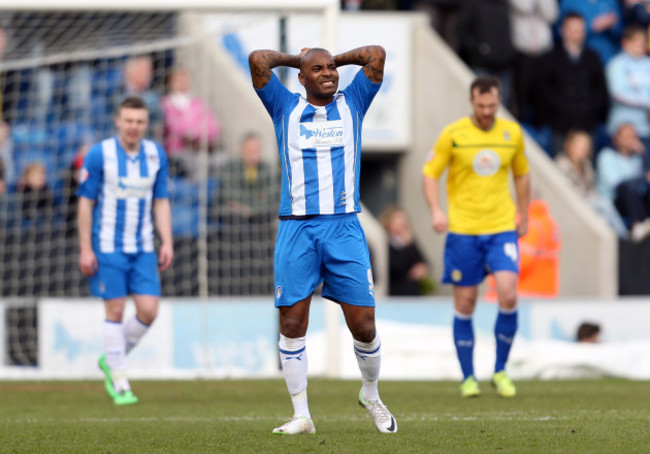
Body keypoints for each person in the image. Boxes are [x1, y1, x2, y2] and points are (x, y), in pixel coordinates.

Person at [249, 44, 397, 434]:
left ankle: (371, 394)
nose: (328, 73)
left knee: (363, 324)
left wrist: (336, 61)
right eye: (317, 69)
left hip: (344, 226)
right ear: (301, 77)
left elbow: (377, 55)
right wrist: (298, 59)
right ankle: (302, 415)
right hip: (296, 227)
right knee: (293, 321)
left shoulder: (355, 102)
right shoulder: (285, 106)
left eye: (331, 67)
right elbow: (258, 61)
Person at [422, 76, 531, 398]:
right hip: (464, 230)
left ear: (499, 103)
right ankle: (469, 376)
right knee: (466, 302)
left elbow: (522, 174)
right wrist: (435, 210)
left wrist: (522, 212)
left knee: (508, 294)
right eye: (481, 106)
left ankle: (500, 370)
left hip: (500, 228)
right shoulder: (453, 134)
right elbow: (430, 173)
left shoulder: (512, 134)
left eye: (492, 106)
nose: (486, 112)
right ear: (472, 102)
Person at [77, 96, 173, 406]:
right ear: (118, 121)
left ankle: (111, 359)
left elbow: (160, 200)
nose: (133, 126)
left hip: (143, 247)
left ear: (146, 124)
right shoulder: (99, 154)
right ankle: (120, 382)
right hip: (107, 247)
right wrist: (85, 248)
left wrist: (167, 240)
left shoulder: (156, 154)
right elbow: (85, 202)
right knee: (115, 311)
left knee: (148, 311)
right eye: (128, 120)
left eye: (140, 121)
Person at [534, 12, 610, 156]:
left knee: (585, 171)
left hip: (587, 126)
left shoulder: (593, 57)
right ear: (563, 31)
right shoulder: (549, 58)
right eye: (573, 29)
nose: (577, 34)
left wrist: (590, 111)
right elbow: (542, 92)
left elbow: (601, 91)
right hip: (559, 127)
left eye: (580, 30)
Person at [215, 132, 278, 295]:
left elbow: (270, 198)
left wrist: (248, 208)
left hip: (260, 222)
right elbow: (228, 195)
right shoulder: (231, 167)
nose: (254, 154)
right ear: (242, 150)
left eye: (257, 150)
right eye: (250, 150)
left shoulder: (266, 169)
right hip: (236, 224)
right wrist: (254, 202)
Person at [555, 130, 629, 238]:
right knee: (605, 204)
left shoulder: (587, 166)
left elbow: (593, 190)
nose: (583, 150)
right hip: (572, 206)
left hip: (589, 206)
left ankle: (621, 243)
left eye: (586, 146)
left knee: (604, 217)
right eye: (579, 146)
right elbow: (566, 195)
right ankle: (625, 237)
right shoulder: (561, 165)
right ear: (568, 146)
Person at [161, 67, 221, 177]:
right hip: (179, 150)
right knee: (195, 164)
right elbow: (175, 127)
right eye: (179, 79)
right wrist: (197, 132)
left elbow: (213, 127)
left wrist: (194, 134)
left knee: (221, 161)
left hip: (201, 148)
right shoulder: (167, 103)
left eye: (185, 79)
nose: (183, 82)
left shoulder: (198, 103)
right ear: (171, 82)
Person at [596, 123, 650, 241]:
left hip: (636, 201)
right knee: (628, 187)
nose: (631, 140)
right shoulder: (606, 155)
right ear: (616, 139)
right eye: (627, 136)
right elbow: (618, 184)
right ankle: (637, 226)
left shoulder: (637, 158)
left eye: (633, 137)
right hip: (613, 202)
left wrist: (643, 153)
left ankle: (645, 224)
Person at [606, 25, 650, 154]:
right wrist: (645, 102)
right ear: (625, 42)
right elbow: (617, 94)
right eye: (637, 41)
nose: (641, 46)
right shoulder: (616, 64)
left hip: (645, 128)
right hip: (621, 129)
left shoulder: (648, 63)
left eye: (643, 42)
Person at [379, 205, 433, 296]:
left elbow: (423, 261)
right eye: (397, 220)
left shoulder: (410, 241)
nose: (401, 223)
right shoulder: (384, 243)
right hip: (393, 294)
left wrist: (422, 268)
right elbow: (396, 267)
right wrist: (408, 246)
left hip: (413, 293)